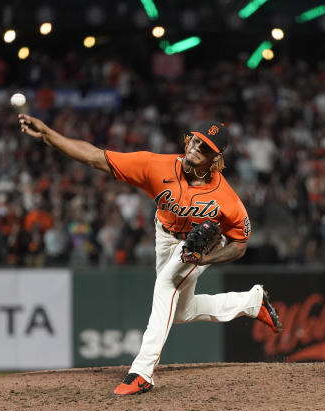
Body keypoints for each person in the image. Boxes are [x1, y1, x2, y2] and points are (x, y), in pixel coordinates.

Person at [18, 113, 283, 395]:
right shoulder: (155, 166)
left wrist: (205, 258)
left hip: (202, 243)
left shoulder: (227, 199)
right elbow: (95, 157)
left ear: (216, 159)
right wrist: (48, 133)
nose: (196, 148)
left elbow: (239, 244)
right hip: (165, 236)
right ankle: (251, 302)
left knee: (166, 285)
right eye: (195, 140)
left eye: (205, 147)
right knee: (181, 311)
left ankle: (142, 372)